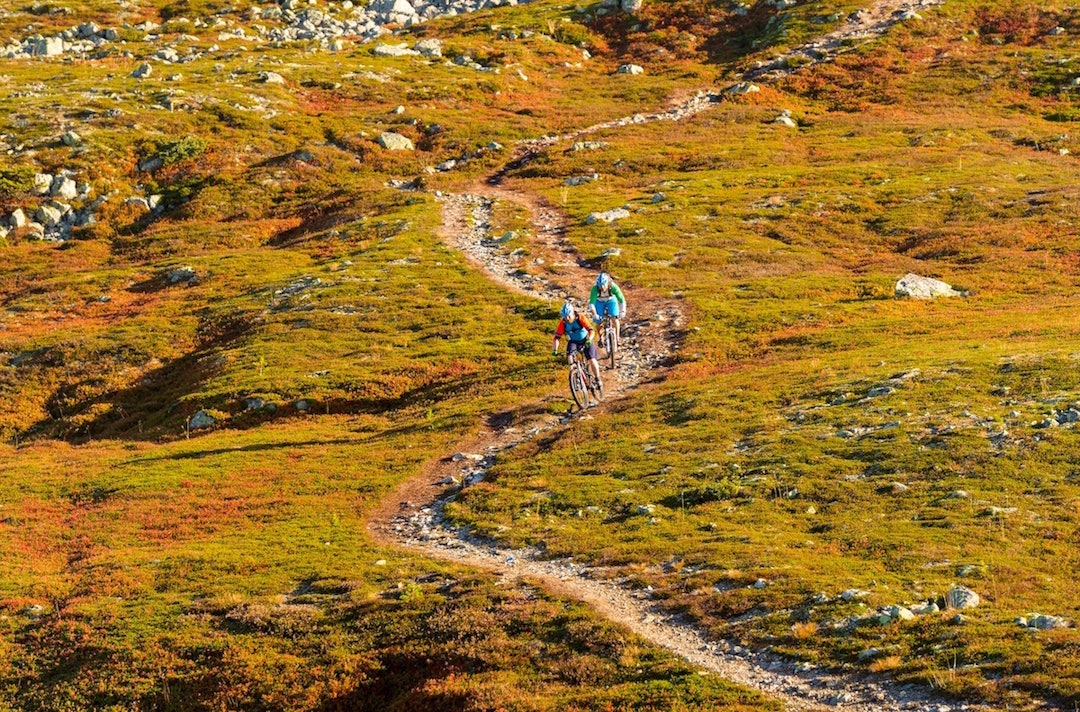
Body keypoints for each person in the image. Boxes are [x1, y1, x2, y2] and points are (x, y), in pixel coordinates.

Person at [552, 301, 603, 390]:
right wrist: (555, 349)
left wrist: (589, 339)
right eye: (564, 317)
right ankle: (576, 378)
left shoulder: (580, 317)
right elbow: (557, 337)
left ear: (572, 313)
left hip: (585, 339)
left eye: (568, 316)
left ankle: (598, 379)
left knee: (591, 360)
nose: (567, 318)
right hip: (573, 342)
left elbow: (591, 330)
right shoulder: (563, 323)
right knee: (570, 357)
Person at [589, 272, 626, 340]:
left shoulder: (613, 286)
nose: (602, 287)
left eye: (603, 285)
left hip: (611, 300)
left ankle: (617, 337)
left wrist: (622, 311)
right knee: (598, 321)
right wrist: (594, 314)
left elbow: (621, 300)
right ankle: (601, 338)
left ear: (607, 283)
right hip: (599, 301)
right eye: (600, 285)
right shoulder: (595, 289)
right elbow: (592, 303)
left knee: (615, 318)